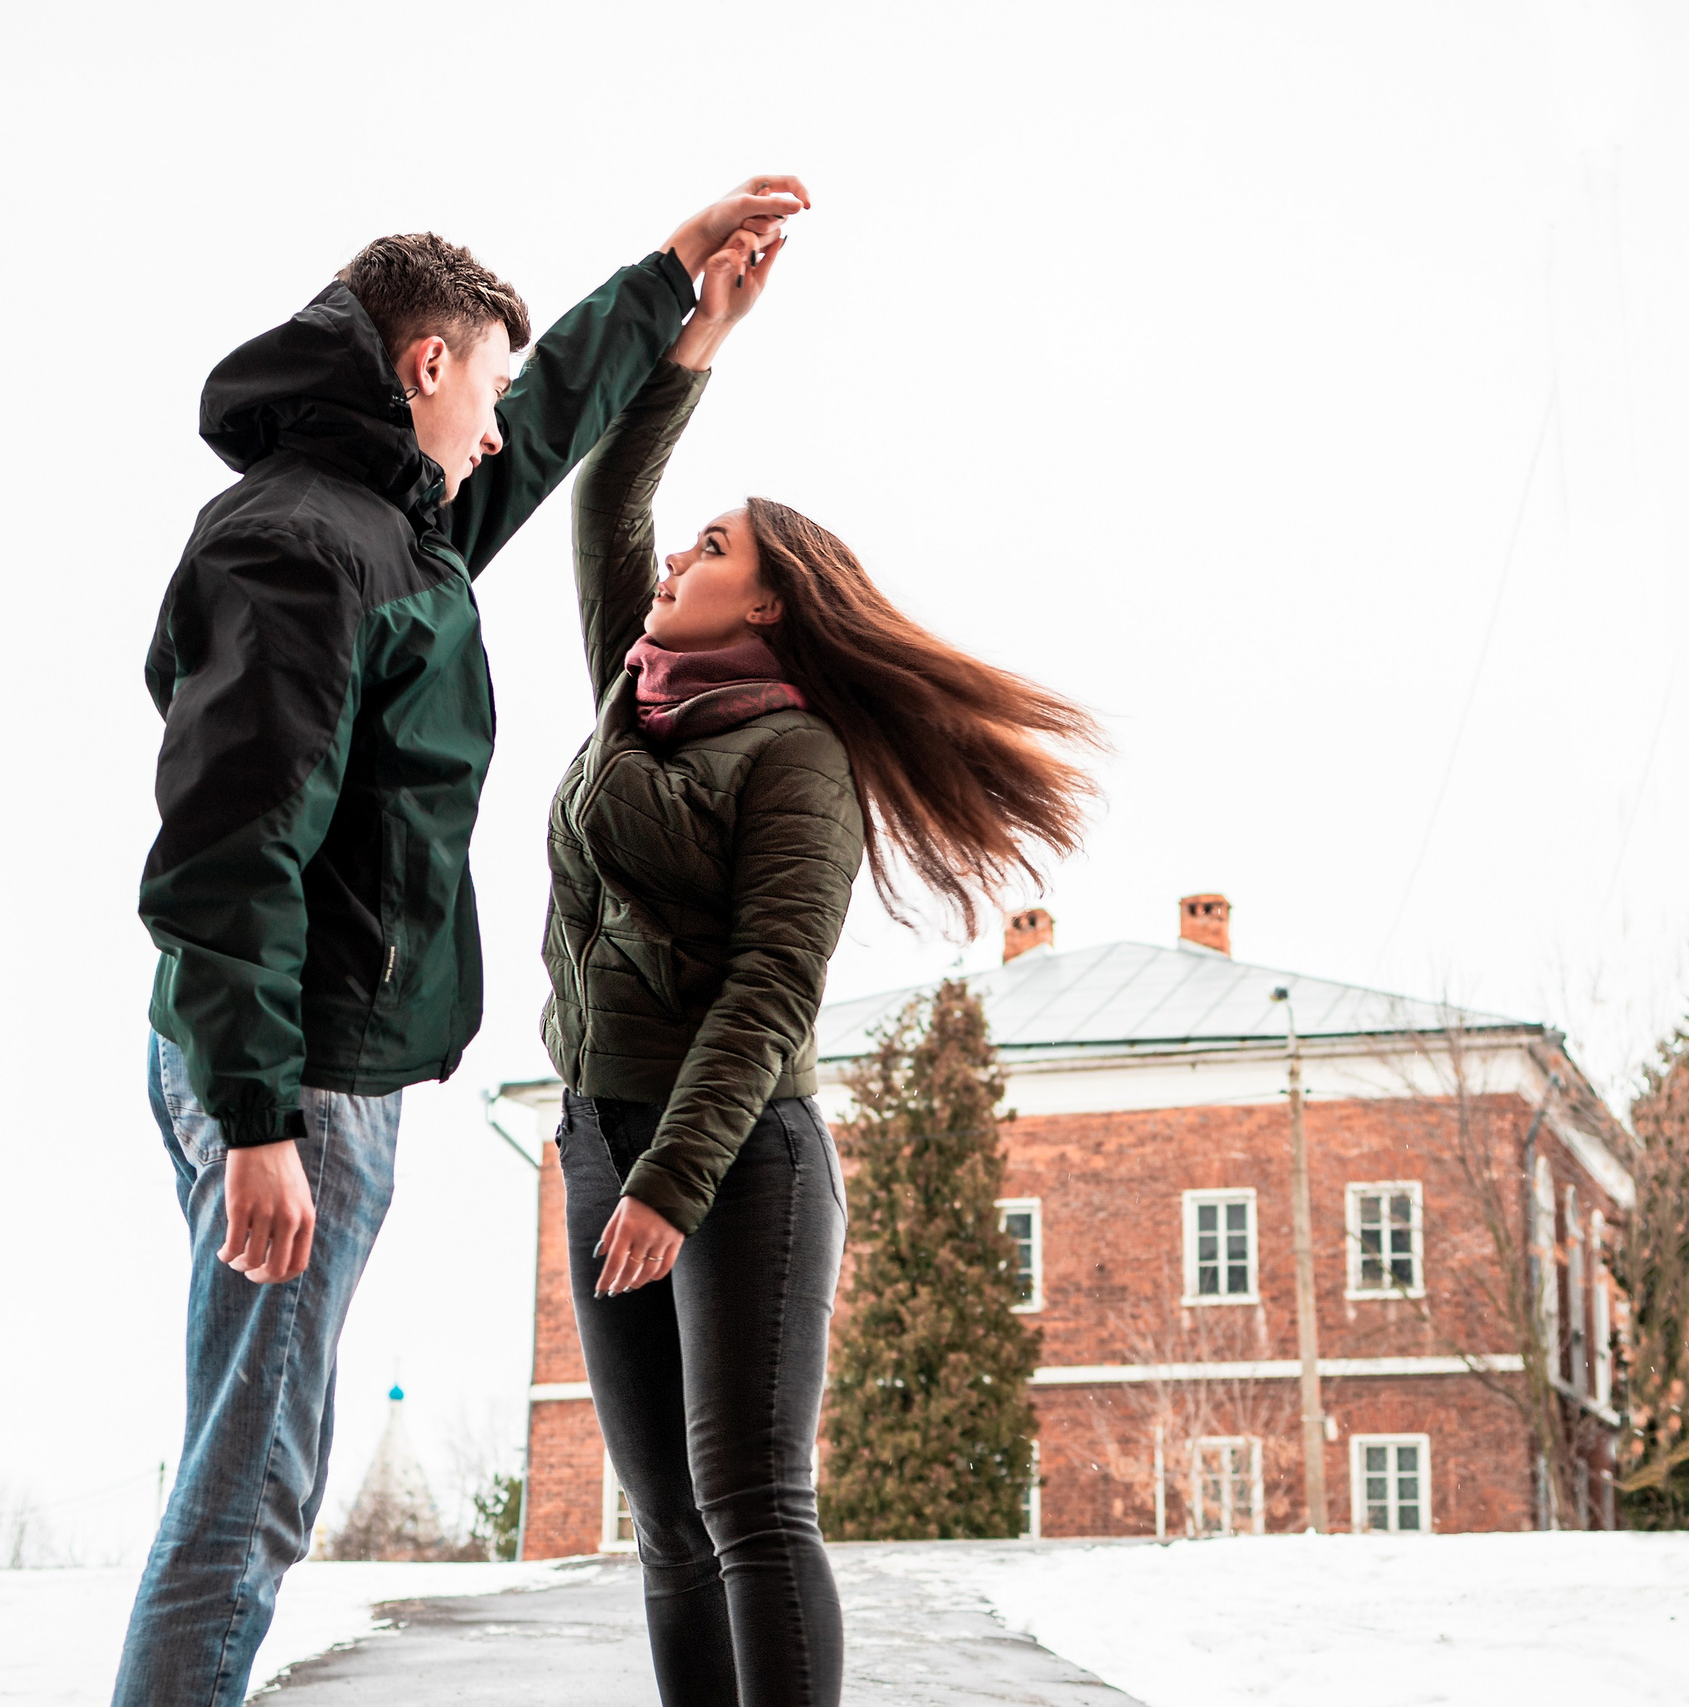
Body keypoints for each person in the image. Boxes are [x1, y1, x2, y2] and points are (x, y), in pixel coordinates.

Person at [119, 177, 812, 1707]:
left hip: (296, 1059)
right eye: (481, 389)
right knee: (255, 1483)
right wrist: (260, 1116)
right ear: (424, 368)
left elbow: (551, 424)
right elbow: (233, 849)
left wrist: (668, 288)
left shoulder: (383, 530)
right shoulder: (307, 547)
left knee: (253, 1462)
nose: (499, 431)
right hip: (289, 1069)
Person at [542, 231, 1098, 1706]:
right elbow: (610, 498)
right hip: (597, 1137)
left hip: (735, 1161)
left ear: (772, 602)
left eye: (712, 551)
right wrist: (696, 339)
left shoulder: (797, 758)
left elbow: (773, 991)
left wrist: (673, 1179)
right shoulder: (635, 701)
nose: (677, 560)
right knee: (664, 1532)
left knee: (750, 1506)